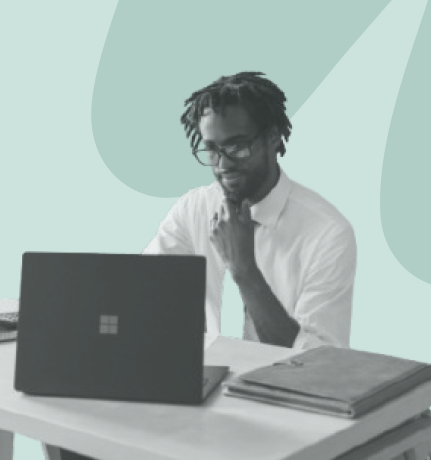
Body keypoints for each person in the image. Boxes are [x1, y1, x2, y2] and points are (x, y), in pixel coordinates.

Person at [143, 71, 357, 349]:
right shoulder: (193, 210)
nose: (223, 164)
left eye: (237, 146)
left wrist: (243, 269)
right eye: (212, 150)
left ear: (271, 138)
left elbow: (318, 364)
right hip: (205, 379)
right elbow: (142, 291)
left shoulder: (327, 234)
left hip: (282, 389)